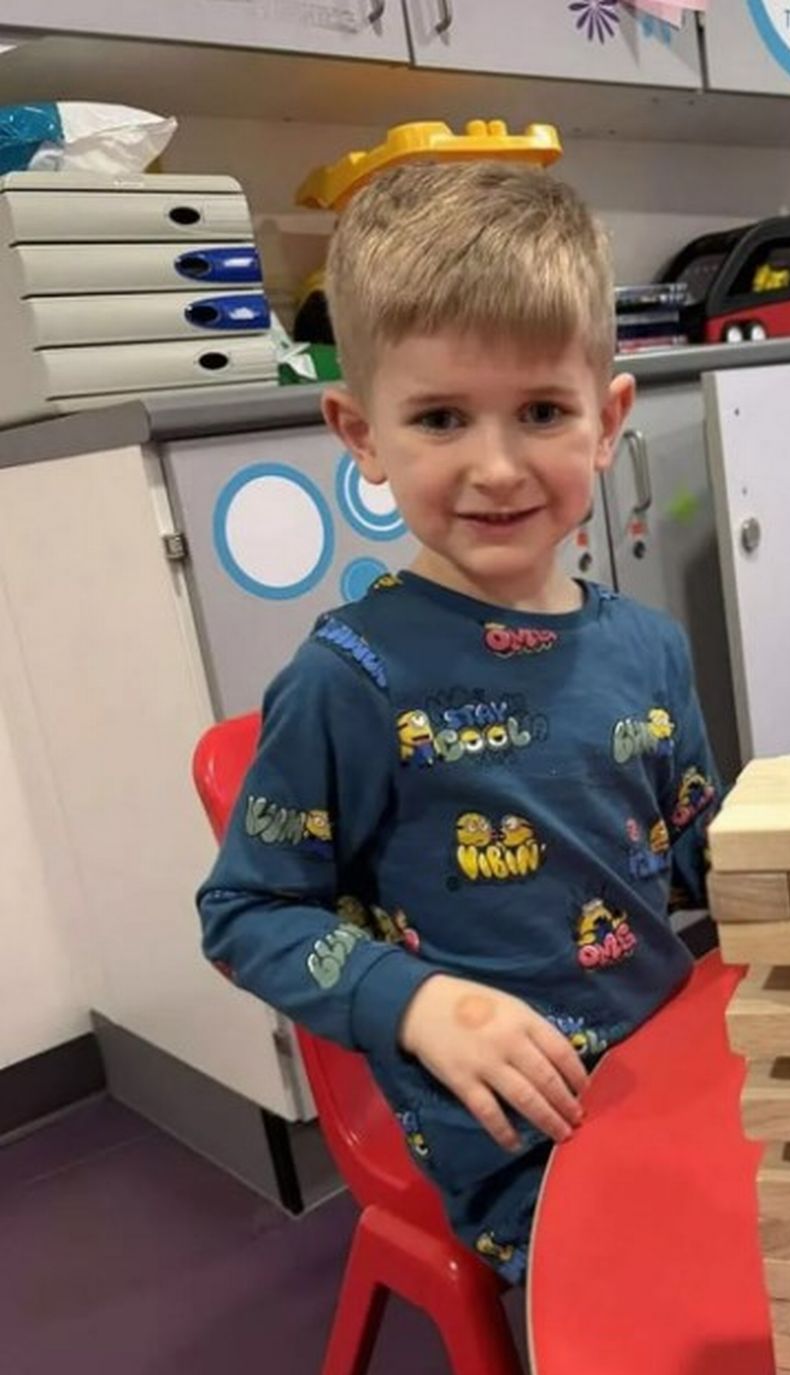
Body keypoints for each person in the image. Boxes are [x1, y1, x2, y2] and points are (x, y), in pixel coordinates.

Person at [198, 161, 721, 1283]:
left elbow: (701, 855)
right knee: (655, 1314)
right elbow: (246, 913)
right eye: (441, 418)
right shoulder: (350, 679)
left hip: (680, 1062)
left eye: (541, 411)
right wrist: (416, 1003)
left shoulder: (650, 648)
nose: (495, 467)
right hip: (522, 1142)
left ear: (606, 422)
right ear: (362, 434)